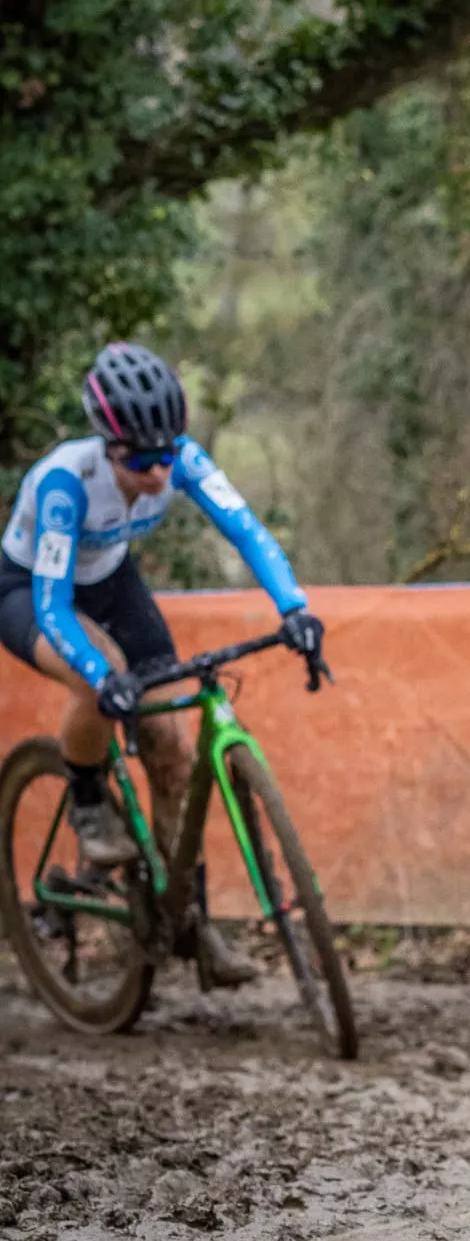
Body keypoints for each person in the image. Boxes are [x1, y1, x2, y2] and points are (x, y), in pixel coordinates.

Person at [0, 343, 325, 989]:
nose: (159, 473)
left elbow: (248, 532)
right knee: (104, 678)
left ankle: (186, 920)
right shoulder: (66, 483)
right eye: (143, 462)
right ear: (109, 447)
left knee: (172, 749)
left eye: (168, 455)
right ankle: (89, 802)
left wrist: (295, 608)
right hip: (28, 590)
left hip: (112, 580)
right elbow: (54, 607)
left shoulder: (179, 461)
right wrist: (102, 678)